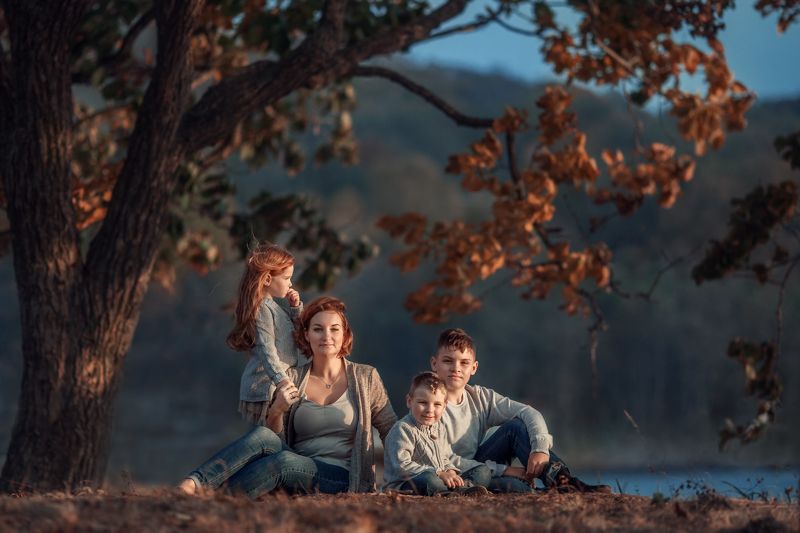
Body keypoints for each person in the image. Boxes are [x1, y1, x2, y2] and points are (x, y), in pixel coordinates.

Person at [179, 296, 397, 497]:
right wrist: (277, 410)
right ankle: (194, 483)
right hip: (296, 463)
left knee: (284, 461)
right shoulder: (292, 377)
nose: (327, 336)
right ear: (306, 335)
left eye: (334, 329)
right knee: (263, 436)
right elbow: (276, 438)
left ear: (345, 334)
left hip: (343, 477)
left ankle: (217, 500)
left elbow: (391, 429)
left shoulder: (366, 377)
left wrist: (408, 473)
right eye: (318, 329)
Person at [430, 328, 612, 493]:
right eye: (448, 361)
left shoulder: (480, 397)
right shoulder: (427, 404)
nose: (456, 368)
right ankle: (541, 492)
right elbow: (444, 459)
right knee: (517, 487)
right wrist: (507, 471)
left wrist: (540, 448)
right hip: (451, 475)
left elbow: (529, 412)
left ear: (474, 368)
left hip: (481, 465)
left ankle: (564, 482)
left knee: (516, 427)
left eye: (464, 363)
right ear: (434, 364)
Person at [227, 243, 307, 426]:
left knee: (275, 443)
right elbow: (267, 350)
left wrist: (295, 309)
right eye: (287, 278)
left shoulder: (274, 308)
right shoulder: (263, 308)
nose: (291, 283)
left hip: (274, 389)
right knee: (266, 443)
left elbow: (299, 334)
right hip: (263, 390)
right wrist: (282, 382)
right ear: (268, 280)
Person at [383, 371, 491, 496]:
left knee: (483, 471)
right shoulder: (403, 429)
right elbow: (401, 466)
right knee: (430, 481)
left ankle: (460, 490)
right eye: (423, 403)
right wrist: (439, 473)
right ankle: (452, 491)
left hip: (440, 478)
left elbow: (444, 457)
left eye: (437, 404)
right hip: (408, 482)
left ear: (444, 406)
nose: (430, 410)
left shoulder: (439, 427)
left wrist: (450, 471)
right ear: (409, 401)